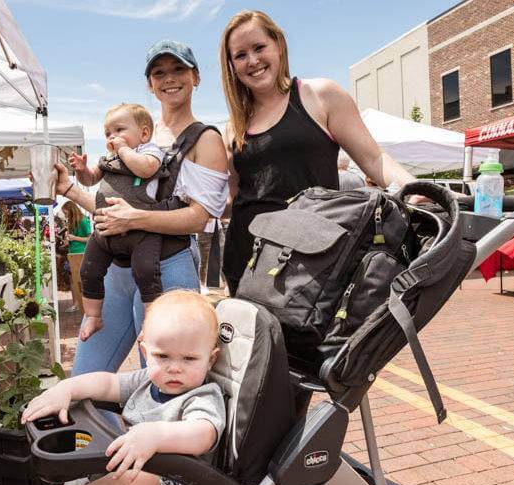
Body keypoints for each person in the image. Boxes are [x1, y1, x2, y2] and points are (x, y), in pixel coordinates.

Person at [0, 290, 225, 485]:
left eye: (189, 359)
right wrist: (66, 390)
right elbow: (106, 383)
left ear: (211, 359)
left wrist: (155, 435)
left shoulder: (202, 396)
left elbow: (203, 433)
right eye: (163, 356)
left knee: (138, 483)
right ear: (146, 352)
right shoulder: (147, 381)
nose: (174, 368)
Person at [56, 39, 228, 374]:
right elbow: (113, 207)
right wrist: (71, 190)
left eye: (179, 69)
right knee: (84, 380)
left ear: (196, 77)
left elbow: (198, 218)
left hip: (167, 266)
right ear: (150, 84)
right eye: (159, 72)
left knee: (165, 380)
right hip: (116, 270)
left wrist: (134, 219)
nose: (169, 78)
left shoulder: (205, 138)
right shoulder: (135, 134)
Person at [220, 10, 416, 296]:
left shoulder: (319, 95)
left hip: (309, 260)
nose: (252, 61)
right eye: (240, 55)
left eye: (259, 47)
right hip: (246, 261)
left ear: (279, 45)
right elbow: (234, 198)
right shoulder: (234, 126)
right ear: (232, 65)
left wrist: (414, 188)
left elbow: (374, 159)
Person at [70, 103, 187, 340]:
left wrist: (123, 150)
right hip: (105, 232)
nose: (113, 137)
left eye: (119, 130)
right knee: (88, 269)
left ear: (143, 133)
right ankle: (93, 315)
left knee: (146, 272)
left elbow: (146, 170)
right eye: (107, 133)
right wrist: (82, 171)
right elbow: (91, 179)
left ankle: (150, 321)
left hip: (142, 232)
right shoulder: (108, 159)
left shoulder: (150, 151)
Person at [60, 201, 91, 313]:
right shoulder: (73, 223)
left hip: (81, 254)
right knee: (72, 280)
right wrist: (66, 242)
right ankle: (76, 303)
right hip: (72, 254)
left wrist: (74, 238)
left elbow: (90, 239)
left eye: (66, 213)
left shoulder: (83, 221)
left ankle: (81, 304)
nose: (66, 216)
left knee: (79, 280)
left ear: (72, 210)